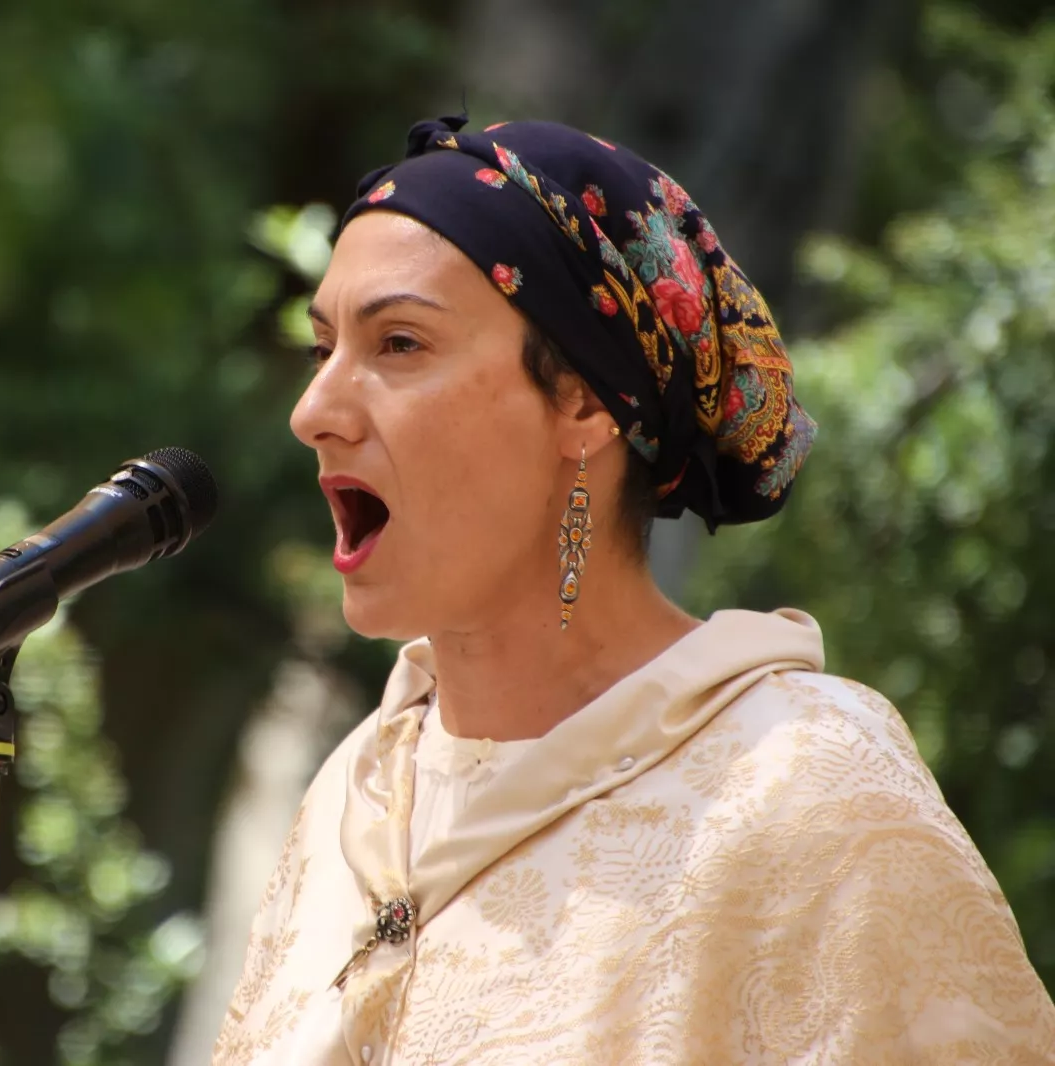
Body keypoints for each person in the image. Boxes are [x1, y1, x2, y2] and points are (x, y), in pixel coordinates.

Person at [212, 116, 1055, 1065]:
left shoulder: (807, 795)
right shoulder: (354, 794)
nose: (313, 410)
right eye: (323, 346)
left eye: (399, 343)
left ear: (581, 401)